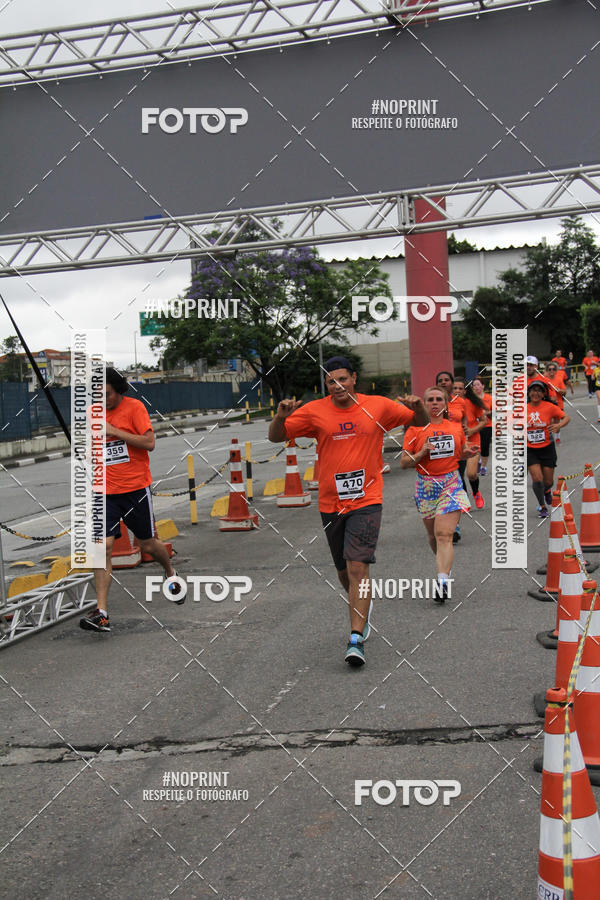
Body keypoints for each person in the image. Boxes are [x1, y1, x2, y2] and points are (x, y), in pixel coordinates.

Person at [267, 356, 428, 667]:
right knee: (344, 573)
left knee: (357, 569)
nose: (337, 385)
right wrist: (279, 417)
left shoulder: (378, 406)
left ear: (354, 378)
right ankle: (362, 606)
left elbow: (418, 421)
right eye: (331, 381)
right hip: (330, 503)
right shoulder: (314, 411)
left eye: (342, 379)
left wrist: (418, 405)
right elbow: (276, 436)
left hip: (367, 499)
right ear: (326, 385)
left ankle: (355, 637)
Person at [80, 367, 179, 633]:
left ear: (118, 389)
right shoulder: (92, 414)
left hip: (135, 488)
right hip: (104, 492)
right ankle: (101, 613)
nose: (104, 401)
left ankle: (169, 570)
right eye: (98, 396)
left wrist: (114, 430)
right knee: (104, 548)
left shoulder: (134, 408)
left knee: (147, 544)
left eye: (108, 395)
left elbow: (149, 443)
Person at [401, 387, 478, 602]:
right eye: (430, 400)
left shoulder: (455, 428)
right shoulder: (414, 430)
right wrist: (422, 452)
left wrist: (467, 453)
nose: (434, 403)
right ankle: (444, 568)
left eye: (439, 399)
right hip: (426, 487)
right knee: (433, 536)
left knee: (444, 535)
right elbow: (405, 463)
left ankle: (442, 580)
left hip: (451, 483)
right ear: (424, 404)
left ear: (445, 404)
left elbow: (459, 452)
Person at [526, 380, 570, 518]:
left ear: (543, 393)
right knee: (537, 478)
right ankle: (542, 505)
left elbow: (566, 417)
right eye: (533, 390)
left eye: (539, 390)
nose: (536, 393)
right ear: (529, 393)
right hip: (530, 449)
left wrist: (558, 426)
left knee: (548, 482)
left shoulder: (549, 407)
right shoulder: (522, 409)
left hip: (547, 447)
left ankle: (546, 491)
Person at [435, 371, 466, 543]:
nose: (444, 382)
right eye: (440, 380)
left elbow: (465, 419)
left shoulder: (460, 401)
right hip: (438, 450)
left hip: (457, 447)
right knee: (441, 485)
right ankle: (441, 519)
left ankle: (455, 526)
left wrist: (466, 431)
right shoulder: (433, 402)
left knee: (456, 482)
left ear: (452, 383)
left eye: (446, 380)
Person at [454, 380, 487, 509]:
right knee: (458, 475)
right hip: (457, 444)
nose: (457, 391)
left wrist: (472, 430)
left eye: (460, 388)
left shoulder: (472, 403)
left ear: (465, 391)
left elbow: (484, 421)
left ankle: (476, 492)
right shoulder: (448, 405)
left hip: (473, 441)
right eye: (455, 388)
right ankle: (464, 500)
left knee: (472, 474)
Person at [544, 361, 571, 443]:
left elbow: (564, 391)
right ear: (547, 370)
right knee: (549, 422)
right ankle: (548, 436)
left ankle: (557, 437)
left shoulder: (559, 379)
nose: (551, 371)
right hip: (548, 404)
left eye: (553, 369)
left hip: (558, 404)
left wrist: (559, 390)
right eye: (549, 369)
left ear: (556, 370)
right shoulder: (544, 379)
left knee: (556, 422)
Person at [471, 376, 492, 475]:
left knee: (484, 446)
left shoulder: (489, 398)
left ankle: (483, 466)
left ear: (483, 386)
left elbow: (494, 412)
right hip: (474, 425)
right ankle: (477, 461)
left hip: (487, 425)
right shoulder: (471, 399)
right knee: (475, 445)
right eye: (474, 385)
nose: (476, 387)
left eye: (478, 385)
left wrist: (485, 413)